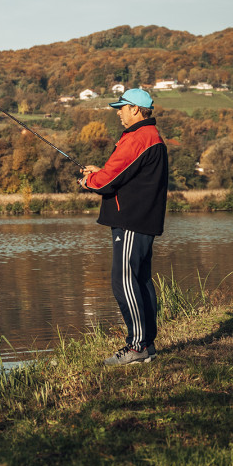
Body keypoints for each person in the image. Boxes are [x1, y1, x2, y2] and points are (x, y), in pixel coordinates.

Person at [78, 88, 169, 366]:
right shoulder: (150, 137)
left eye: (122, 107)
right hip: (141, 220)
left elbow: (107, 181)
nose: (118, 112)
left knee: (123, 281)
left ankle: (137, 346)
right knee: (139, 280)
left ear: (137, 110)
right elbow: (122, 173)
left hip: (131, 221)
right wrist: (100, 172)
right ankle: (147, 345)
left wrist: (89, 181)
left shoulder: (139, 137)